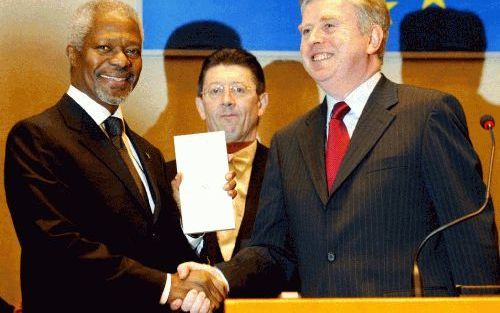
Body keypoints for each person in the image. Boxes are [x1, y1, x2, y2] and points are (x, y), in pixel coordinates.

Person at [176, 0, 500, 304]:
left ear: (372, 38)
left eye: (328, 26)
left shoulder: (426, 115)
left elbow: (470, 235)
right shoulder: (290, 142)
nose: (313, 39)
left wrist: (483, 305)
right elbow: (273, 253)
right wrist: (218, 276)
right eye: (305, 30)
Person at [4, 1, 232, 312]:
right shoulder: (37, 138)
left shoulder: (148, 154)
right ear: (73, 53)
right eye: (104, 47)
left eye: (133, 51)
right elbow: (57, 249)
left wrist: (189, 225)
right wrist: (168, 286)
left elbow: (159, 254)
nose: (121, 61)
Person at [166, 48, 270, 266]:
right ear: (201, 107)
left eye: (239, 90)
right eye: (215, 91)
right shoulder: (165, 177)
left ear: (261, 103)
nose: (227, 100)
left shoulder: (286, 171)